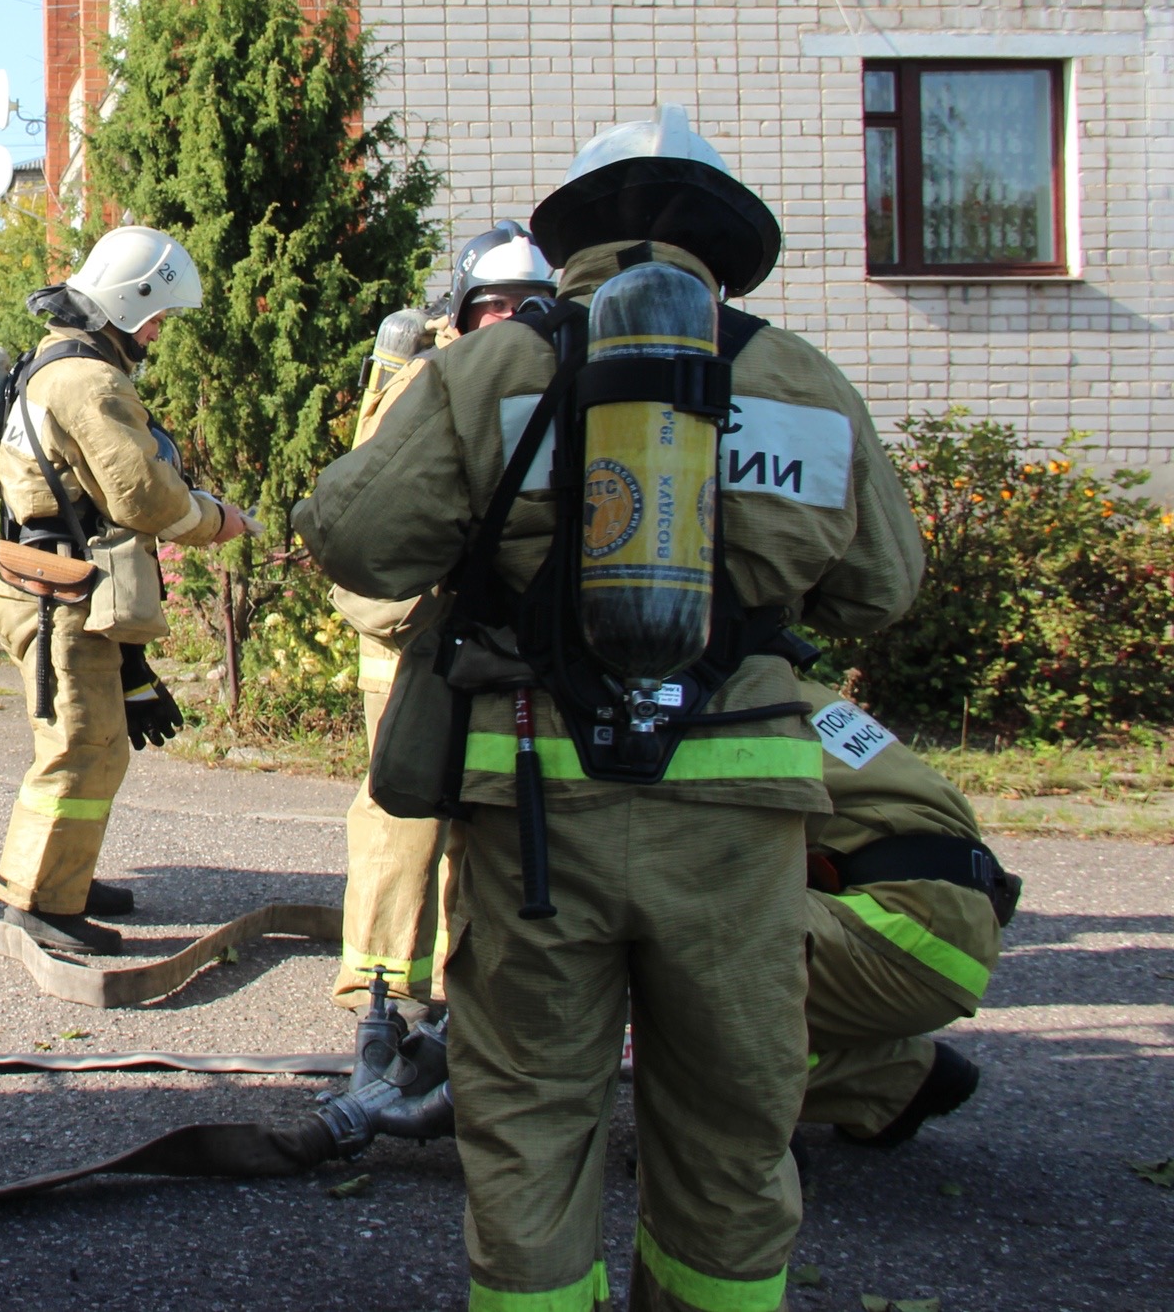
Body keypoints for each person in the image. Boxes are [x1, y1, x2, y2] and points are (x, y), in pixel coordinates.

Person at [295, 106, 924, 1311]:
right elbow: (880, 590)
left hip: (536, 803)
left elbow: (357, 540)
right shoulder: (798, 375)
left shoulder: (494, 365)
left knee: (529, 1119)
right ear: (723, 239)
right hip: (739, 816)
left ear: (572, 237)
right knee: (732, 1128)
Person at [0, 228, 252, 956]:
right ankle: (40, 902)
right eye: (157, 318)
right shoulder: (90, 380)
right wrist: (214, 518)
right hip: (62, 593)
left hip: (47, 580)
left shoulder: (53, 356)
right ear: (129, 306)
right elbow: (141, 495)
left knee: (93, 742)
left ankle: (64, 875)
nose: (159, 335)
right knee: (80, 744)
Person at [331, 222, 556, 1018]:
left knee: (484, 807)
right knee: (404, 798)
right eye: (494, 304)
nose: (512, 320)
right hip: (415, 633)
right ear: (460, 313)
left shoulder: (547, 386)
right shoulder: (430, 383)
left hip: (494, 637)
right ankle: (381, 979)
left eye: (531, 304)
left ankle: (455, 976)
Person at [798, 680, 1010, 1147]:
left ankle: (733, 1135)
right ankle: (894, 1083)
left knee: (656, 942)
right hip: (942, 925)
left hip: (893, 930)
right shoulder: (779, 683)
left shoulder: (699, 703)